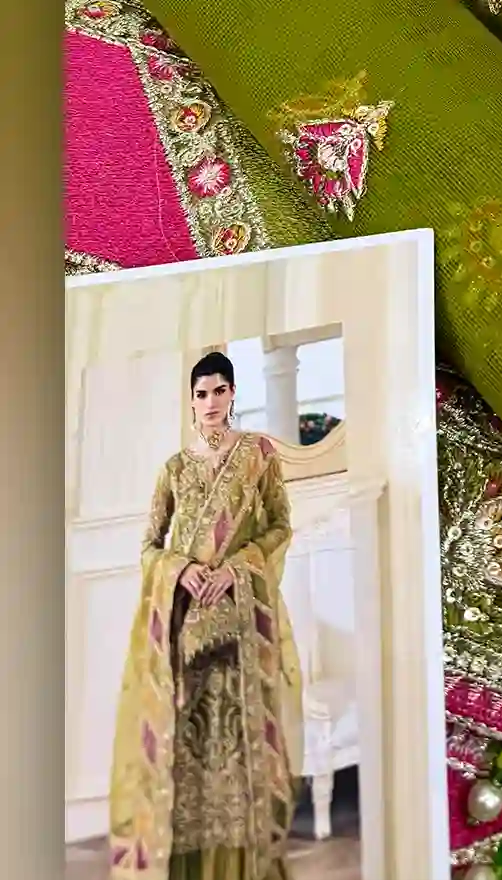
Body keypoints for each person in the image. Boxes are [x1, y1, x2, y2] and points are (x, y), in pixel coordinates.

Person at [108, 352, 301, 878]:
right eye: (201, 393)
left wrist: (236, 568)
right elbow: (149, 547)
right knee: (189, 747)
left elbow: (280, 527)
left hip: (241, 623)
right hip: (186, 627)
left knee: (237, 742)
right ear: (191, 401)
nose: (210, 402)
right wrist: (181, 569)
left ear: (232, 393)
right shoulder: (174, 469)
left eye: (219, 391)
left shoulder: (258, 454)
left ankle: (241, 864)